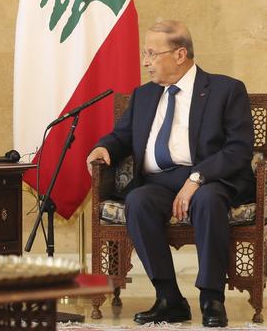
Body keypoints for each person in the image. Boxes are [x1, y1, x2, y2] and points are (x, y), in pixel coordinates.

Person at [86, 20, 255, 328]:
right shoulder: (144, 95)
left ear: (180, 54)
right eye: (144, 53)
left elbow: (239, 149)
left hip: (212, 179)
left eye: (152, 53)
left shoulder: (226, 90)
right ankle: (169, 299)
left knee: (207, 200)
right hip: (160, 182)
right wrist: (103, 148)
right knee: (138, 201)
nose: (145, 61)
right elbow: (122, 136)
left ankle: (211, 298)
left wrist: (197, 177)